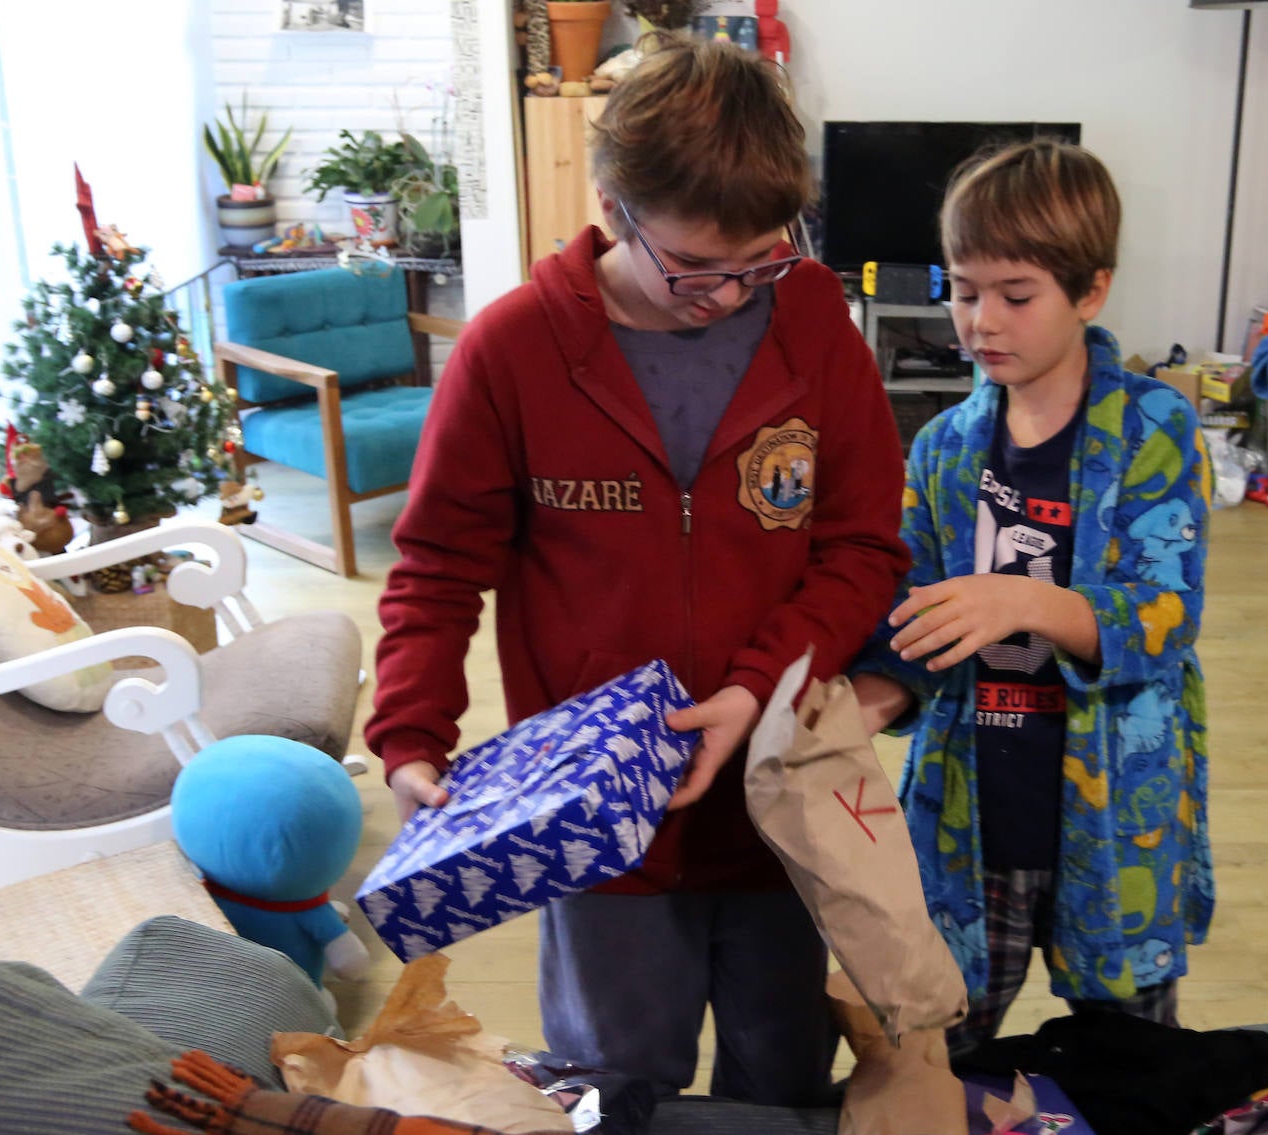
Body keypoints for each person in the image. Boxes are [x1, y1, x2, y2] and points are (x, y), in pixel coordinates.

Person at [365, 32, 909, 1103]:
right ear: (613, 206)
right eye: (698, 268)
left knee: (783, 1075)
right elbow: (435, 566)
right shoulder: (511, 351)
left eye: (763, 259)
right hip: (600, 826)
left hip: (780, 801)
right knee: (619, 1081)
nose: (730, 294)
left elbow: (860, 549)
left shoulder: (815, 327)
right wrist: (409, 733)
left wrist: (756, 686)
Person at [849, 140, 1213, 1056]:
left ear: (1090, 291)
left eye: (1015, 295)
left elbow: (1163, 618)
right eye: (963, 290)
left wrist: (1020, 600)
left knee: (1131, 1060)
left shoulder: (1155, 429)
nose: (981, 321)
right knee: (939, 1049)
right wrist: (861, 703)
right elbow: (912, 626)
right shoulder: (937, 448)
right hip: (974, 813)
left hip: (1113, 819)